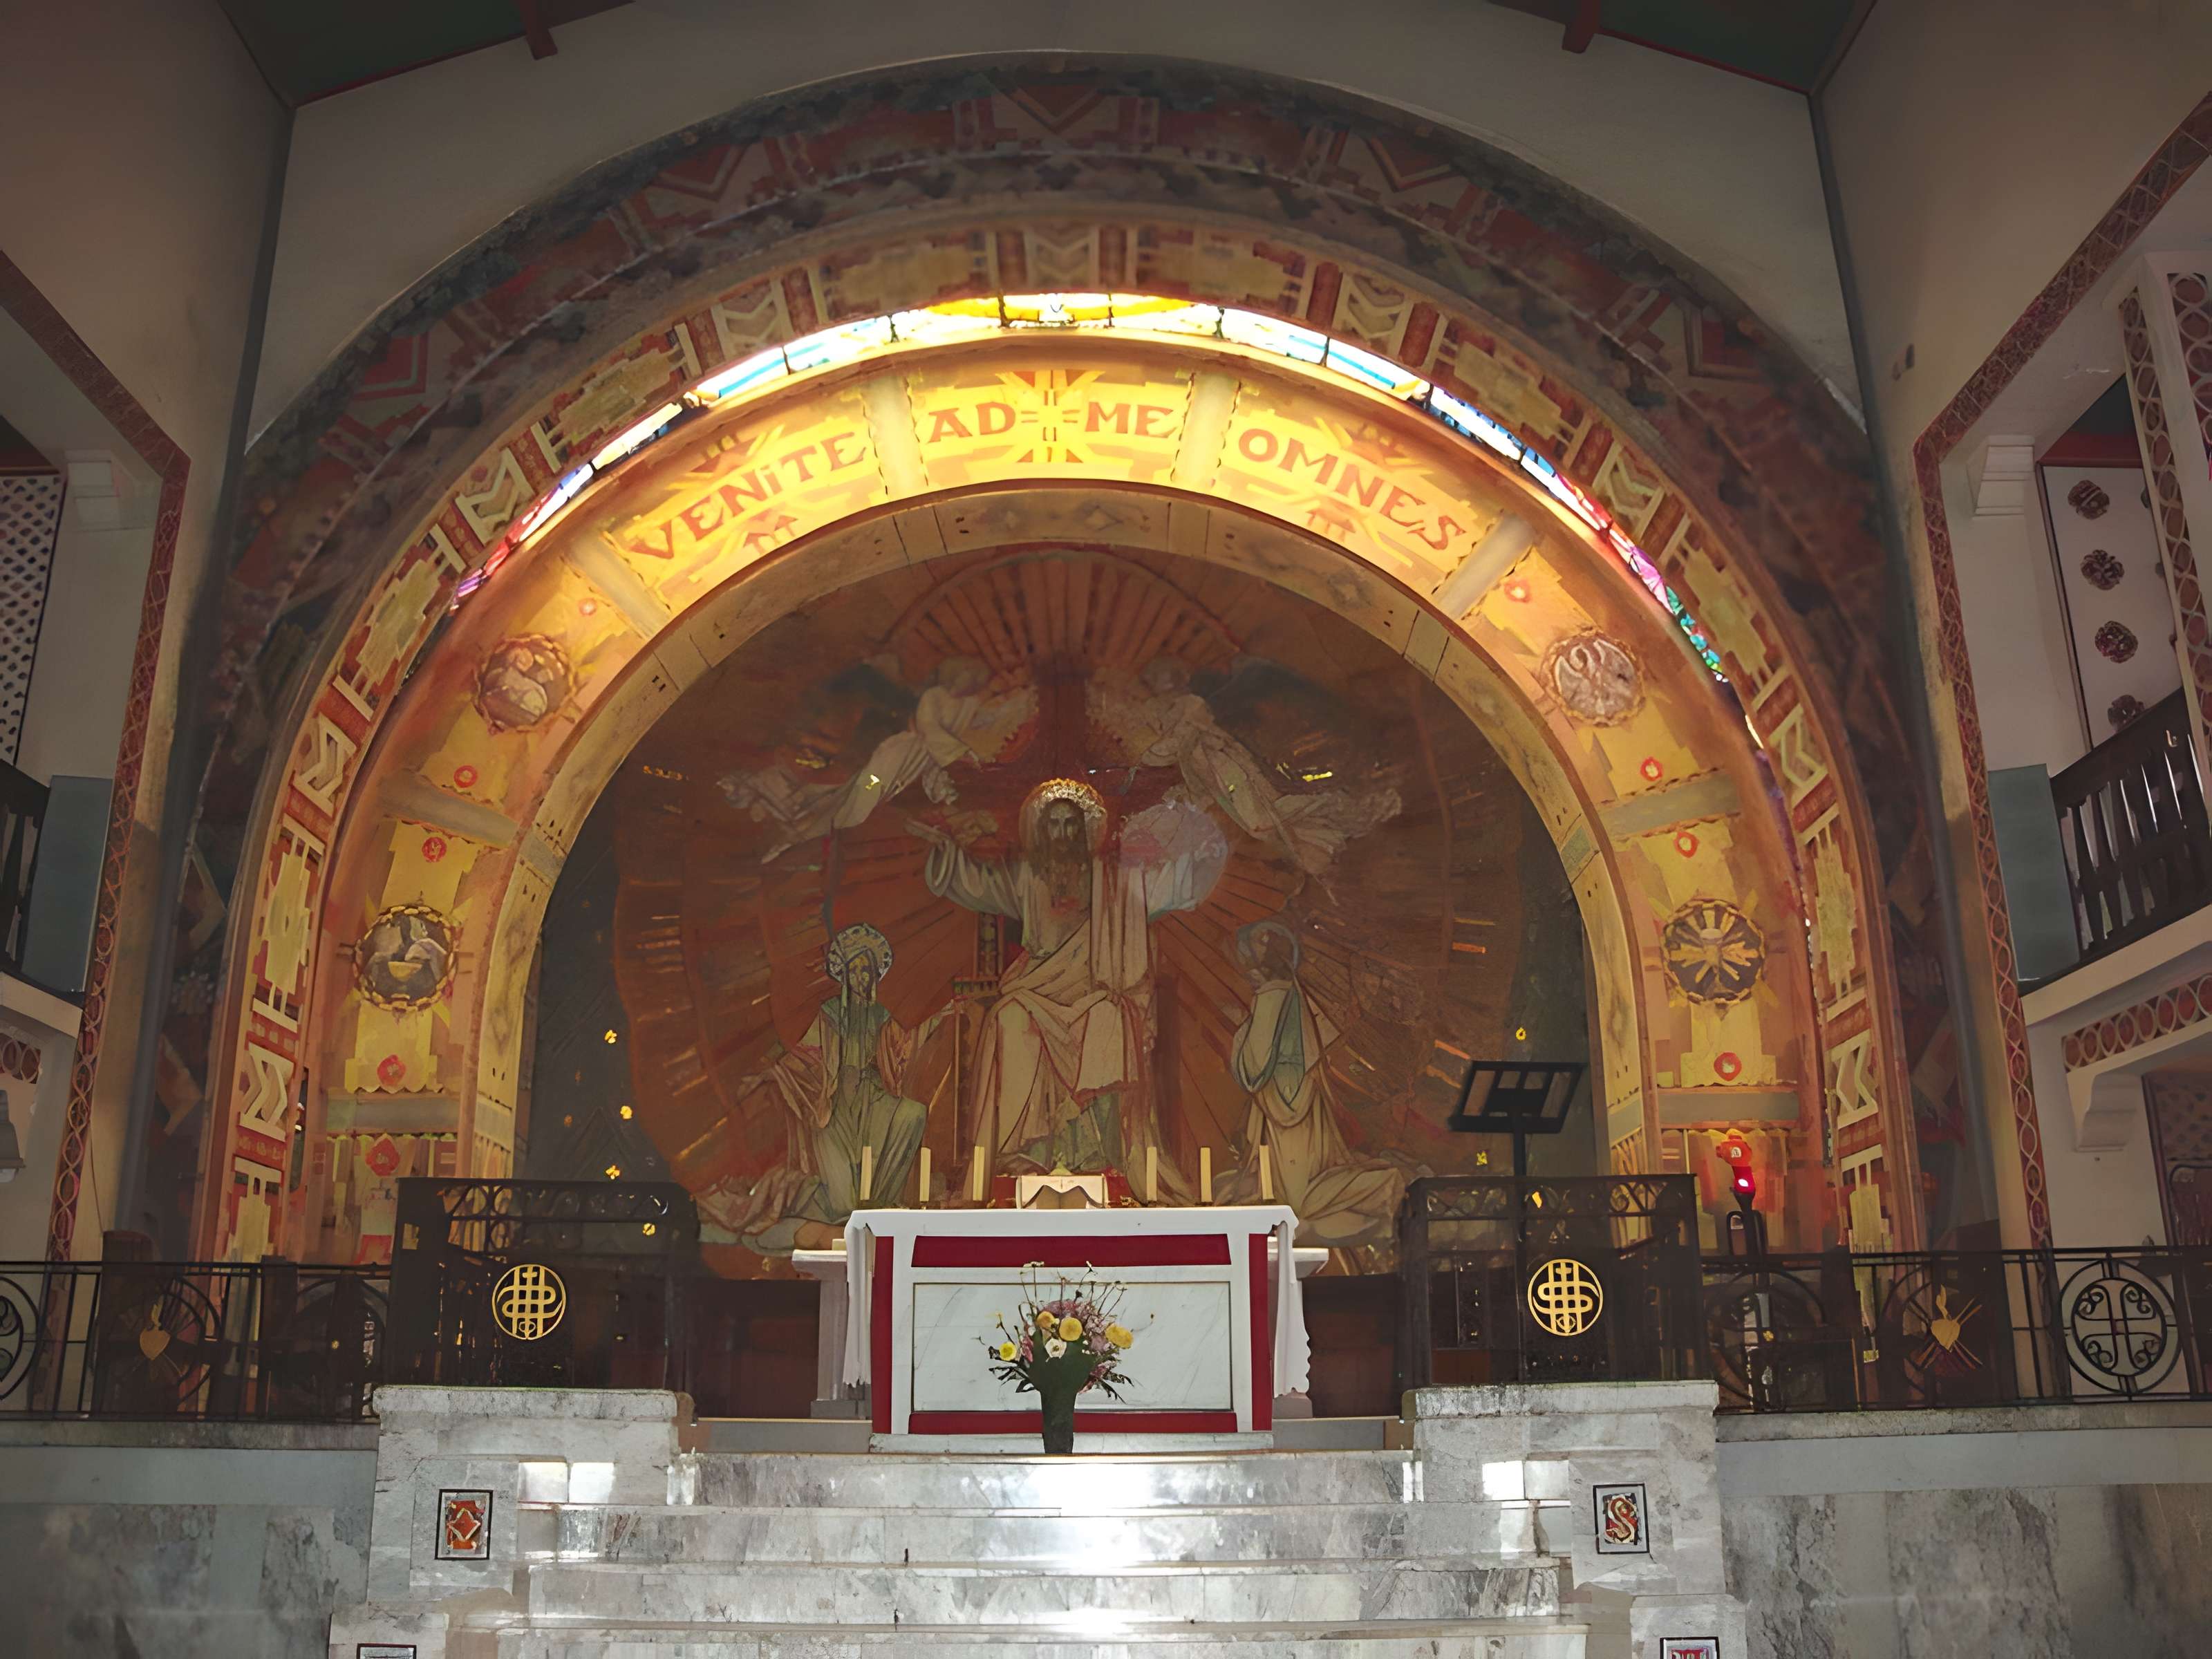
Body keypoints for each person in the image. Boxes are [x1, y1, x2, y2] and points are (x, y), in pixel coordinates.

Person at [911, 778, 1224, 1179]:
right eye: (1053, 824)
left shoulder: (1116, 882)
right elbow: (976, 885)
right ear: (1042, 832)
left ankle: (1099, 1155)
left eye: (1070, 823)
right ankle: (1024, 1154)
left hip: (1097, 994)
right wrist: (945, 846)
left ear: (1085, 830)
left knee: (1109, 1021)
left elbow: (1167, 888)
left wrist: (1201, 854)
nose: (1061, 833)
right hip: (1038, 992)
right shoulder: (1029, 879)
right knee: (1008, 1019)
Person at [696, 924, 942, 1254]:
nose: (860, 976)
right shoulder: (828, 1015)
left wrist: (938, 1018)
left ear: (874, 974)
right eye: (854, 969)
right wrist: (770, 1072)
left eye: (866, 969)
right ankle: (849, 1223)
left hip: (875, 1099)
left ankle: (883, 1201)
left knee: (913, 1115)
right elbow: (805, 1056)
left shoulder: (883, 1016)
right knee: (841, 1196)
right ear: (844, 975)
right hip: (836, 1103)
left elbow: (905, 1047)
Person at [1225, 920, 1405, 1255]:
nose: (1244, 966)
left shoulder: (1272, 994)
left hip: (1286, 1104)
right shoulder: (1291, 990)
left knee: (1297, 1202)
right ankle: (1378, 1189)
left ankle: (1385, 1186)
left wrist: (1240, 1033)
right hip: (1298, 1098)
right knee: (1291, 1194)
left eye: (1247, 957)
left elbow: (1254, 1067)